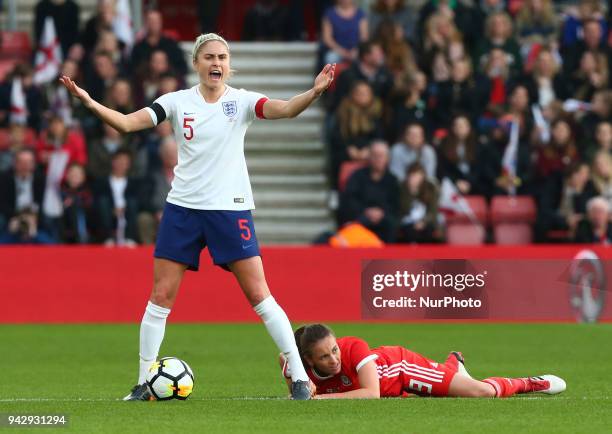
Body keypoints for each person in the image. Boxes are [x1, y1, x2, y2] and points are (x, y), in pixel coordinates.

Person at [60, 32, 335, 401]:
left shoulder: (242, 102)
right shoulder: (175, 102)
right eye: (208, 57)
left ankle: (300, 378)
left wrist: (314, 92)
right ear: (196, 63)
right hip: (183, 209)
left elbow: (285, 109)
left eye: (222, 57)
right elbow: (127, 124)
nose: (216, 63)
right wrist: (90, 102)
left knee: (259, 294)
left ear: (229, 64)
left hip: (229, 208)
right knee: (160, 296)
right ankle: (144, 382)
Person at [279, 324, 566, 399]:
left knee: (481, 392)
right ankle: (453, 365)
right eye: (324, 356)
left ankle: (531, 383)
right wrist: (298, 386)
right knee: (453, 386)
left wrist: (315, 400)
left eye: (334, 350)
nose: (334, 359)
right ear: (307, 360)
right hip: (396, 390)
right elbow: (285, 361)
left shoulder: (354, 347)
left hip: (402, 368)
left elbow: (370, 394)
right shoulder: (296, 366)